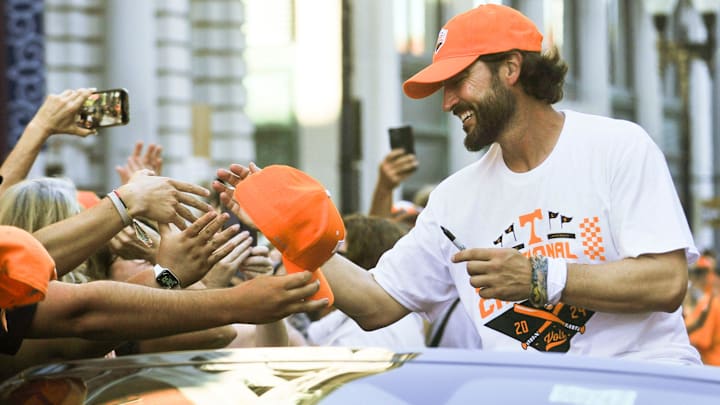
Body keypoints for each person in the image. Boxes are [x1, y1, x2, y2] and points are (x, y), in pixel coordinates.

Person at [215, 4, 699, 364]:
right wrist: (290, 230)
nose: (447, 103)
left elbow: (667, 281)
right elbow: (377, 304)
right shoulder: (454, 198)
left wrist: (539, 277)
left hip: (641, 388)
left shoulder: (616, 146)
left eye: (459, 81)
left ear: (511, 68)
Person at [306, 213, 425, 348]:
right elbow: (307, 340)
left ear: (359, 261)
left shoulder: (380, 329)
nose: (323, 264)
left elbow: (326, 367)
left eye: (335, 255)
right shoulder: (350, 313)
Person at [683, 255, 720, 366]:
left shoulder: (710, 302)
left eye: (701, 274)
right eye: (696, 274)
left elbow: (701, 341)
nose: (695, 279)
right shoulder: (707, 300)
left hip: (713, 368)